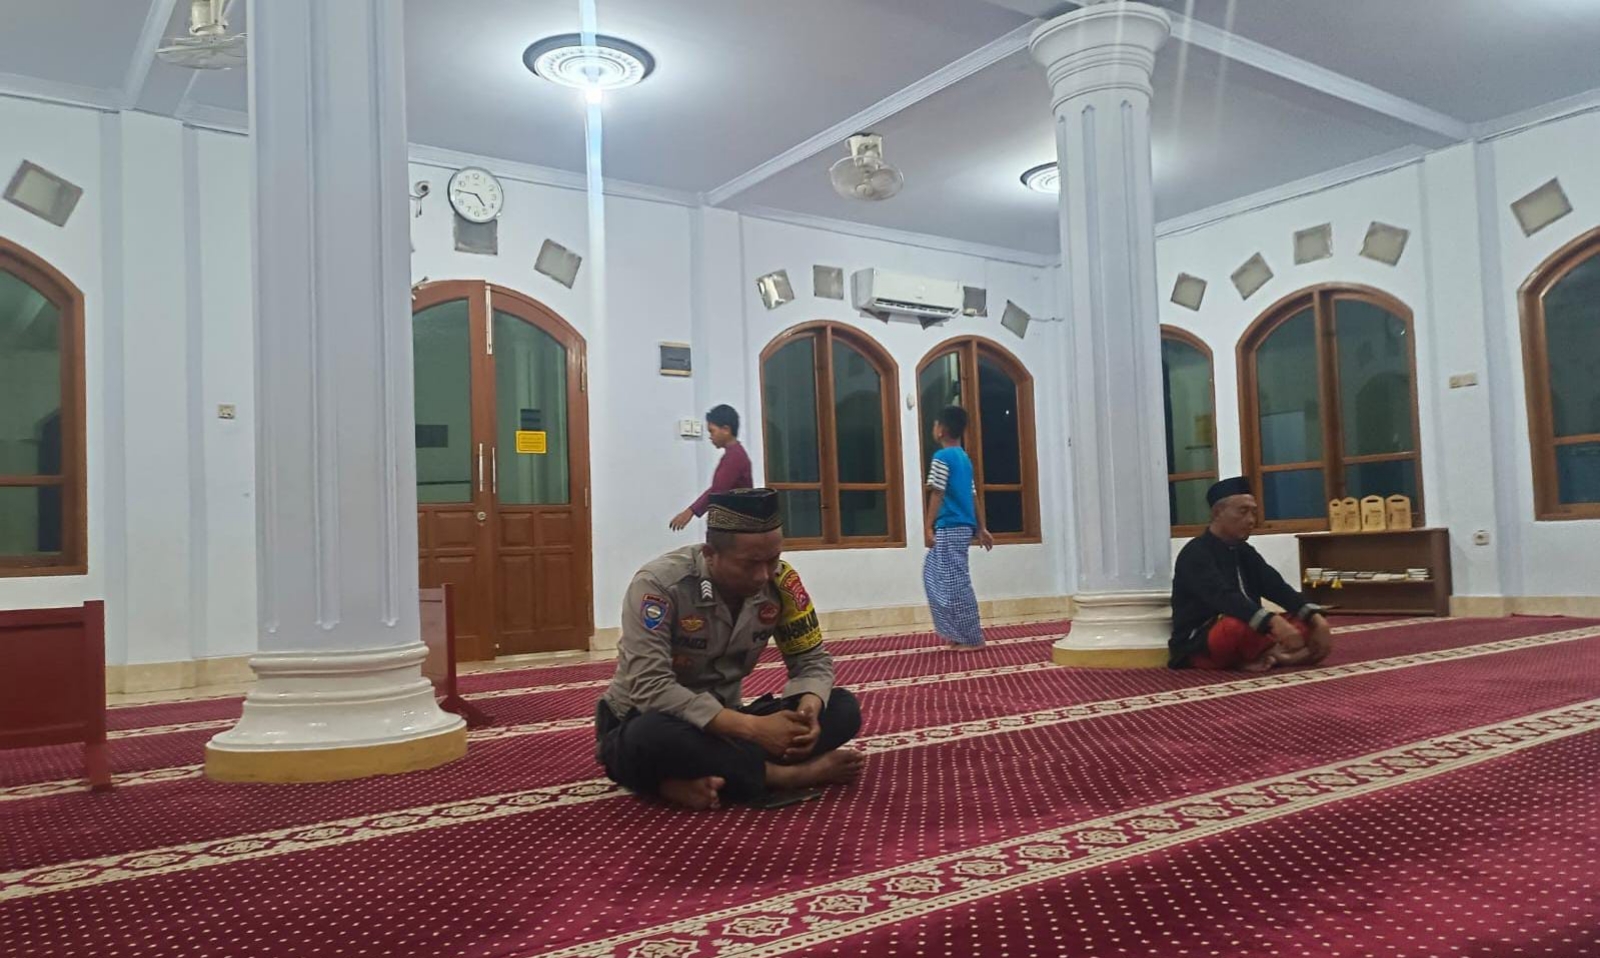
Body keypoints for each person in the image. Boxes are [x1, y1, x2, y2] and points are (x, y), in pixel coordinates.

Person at [598, 488, 865, 810]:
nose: (763, 575)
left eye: (773, 560)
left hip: (729, 722)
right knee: (646, 737)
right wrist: (754, 730)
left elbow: (811, 660)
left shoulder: (781, 583)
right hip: (651, 718)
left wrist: (807, 713)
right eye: (750, 564)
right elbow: (650, 686)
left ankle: (689, 778)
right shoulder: (659, 585)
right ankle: (783, 775)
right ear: (711, 554)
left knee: (842, 707)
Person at [1169, 476, 1333, 671]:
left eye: (1254, 513)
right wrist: (1273, 622)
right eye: (1243, 511)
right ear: (1217, 513)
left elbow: (1277, 588)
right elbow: (1225, 599)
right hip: (1202, 640)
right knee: (1234, 626)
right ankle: (1278, 654)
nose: (1251, 520)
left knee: (1302, 621)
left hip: (1252, 627)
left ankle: (1269, 655)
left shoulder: (1244, 551)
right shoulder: (1195, 553)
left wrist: (1317, 620)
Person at [922, 406, 994, 651]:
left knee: (954, 583)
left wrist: (928, 526)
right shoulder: (963, 458)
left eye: (935, 424)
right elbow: (972, 495)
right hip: (962, 526)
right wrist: (981, 527)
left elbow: (938, 492)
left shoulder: (942, 457)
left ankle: (972, 638)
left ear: (941, 429)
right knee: (935, 576)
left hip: (950, 526)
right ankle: (957, 632)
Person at [670, 404, 753, 531]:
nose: (710, 436)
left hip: (737, 524)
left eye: (712, 431)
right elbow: (718, 488)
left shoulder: (734, 457)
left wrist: (690, 511)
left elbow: (718, 490)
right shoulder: (734, 453)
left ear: (726, 430)